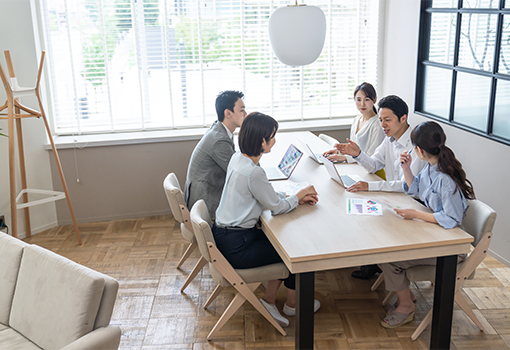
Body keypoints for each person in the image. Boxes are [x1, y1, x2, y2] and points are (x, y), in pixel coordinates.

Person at [213, 112, 320, 327]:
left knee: (285, 245)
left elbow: (267, 195)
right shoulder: (254, 172)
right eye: (272, 137)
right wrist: (297, 196)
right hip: (238, 247)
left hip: (225, 236)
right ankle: (293, 304)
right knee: (296, 252)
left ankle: (271, 300)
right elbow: (277, 207)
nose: (274, 140)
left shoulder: (239, 159)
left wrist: (294, 198)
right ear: (262, 141)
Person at [379, 120, 475, 329]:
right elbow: (416, 190)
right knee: (383, 249)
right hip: (434, 234)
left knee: (390, 259)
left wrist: (416, 215)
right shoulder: (431, 167)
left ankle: (406, 305)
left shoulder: (445, 179)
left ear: (420, 150)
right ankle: (406, 293)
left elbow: (451, 220)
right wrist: (405, 169)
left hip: (451, 247)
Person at [337, 95, 426, 280]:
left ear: (403, 118)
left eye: (388, 120)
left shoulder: (415, 146)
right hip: (393, 199)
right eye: (381, 120)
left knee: (368, 217)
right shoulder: (390, 139)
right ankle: (374, 262)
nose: (383, 125)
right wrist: (358, 154)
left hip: (412, 204)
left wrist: (369, 186)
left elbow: (406, 186)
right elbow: (374, 165)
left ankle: (380, 263)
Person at [184, 90, 247, 220]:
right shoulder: (219, 140)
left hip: (205, 194)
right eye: (242, 110)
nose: (246, 114)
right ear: (228, 113)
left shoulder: (219, 130)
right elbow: (240, 173)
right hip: (207, 202)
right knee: (252, 205)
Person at [323, 82, 385, 179]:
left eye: (367, 100)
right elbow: (354, 148)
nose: (362, 104)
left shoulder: (377, 124)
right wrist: (339, 151)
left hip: (373, 174)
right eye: (358, 100)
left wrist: (344, 158)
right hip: (357, 168)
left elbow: (371, 157)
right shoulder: (356, 120)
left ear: (375, 100)